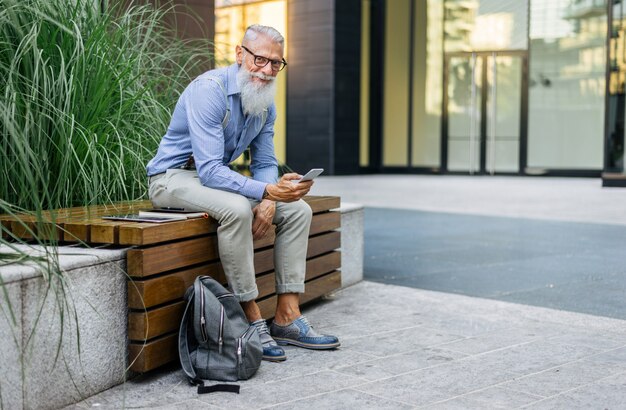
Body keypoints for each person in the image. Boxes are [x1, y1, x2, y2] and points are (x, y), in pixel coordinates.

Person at [146, 24, 339, 362]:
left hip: (213, 181)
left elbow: (264, 161)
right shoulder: (209, 90)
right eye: (259, 60)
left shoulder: (265, 104)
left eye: (276, 63)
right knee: (236, 207)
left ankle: (287, 317)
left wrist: (269, 199)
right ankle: (250, 319)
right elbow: (208, 170)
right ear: (240, 55)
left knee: (298, 210)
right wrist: (266, 190)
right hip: (173, 178)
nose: (267, 70)